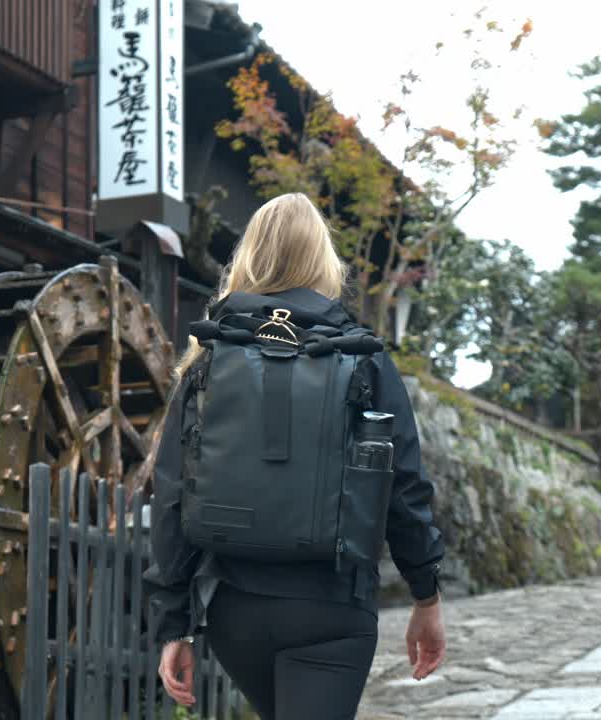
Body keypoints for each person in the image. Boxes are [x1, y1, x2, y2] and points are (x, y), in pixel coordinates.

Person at [143, 192, 447, 720]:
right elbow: (403, 488)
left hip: (233, 609)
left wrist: (174, 624)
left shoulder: (209, 359)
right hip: (330, 608)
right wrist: (426, 596)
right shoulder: (361, 356)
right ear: (320, 260)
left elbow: (172, 494)